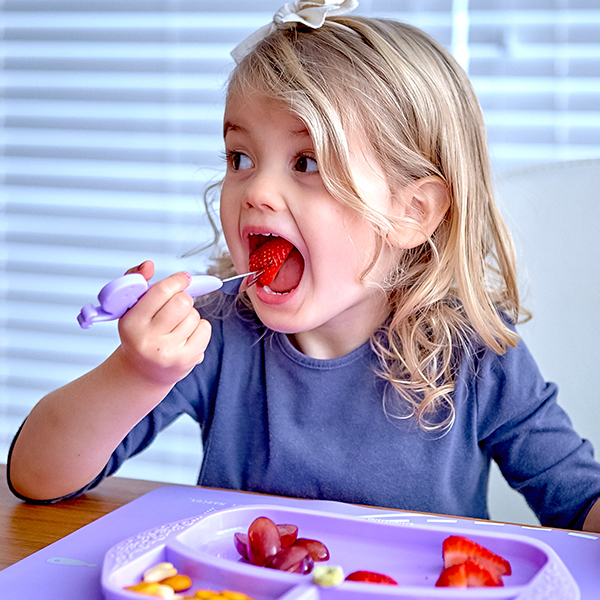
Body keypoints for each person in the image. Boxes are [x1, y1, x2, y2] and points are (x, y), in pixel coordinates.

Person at [7, 0, 600, 532]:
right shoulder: (216, 334)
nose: (256, 191)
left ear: (412, 212)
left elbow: (580, 505)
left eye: (307, 163)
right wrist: (135, 373)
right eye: (240, 157)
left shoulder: (477, 356)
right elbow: (37, 477)